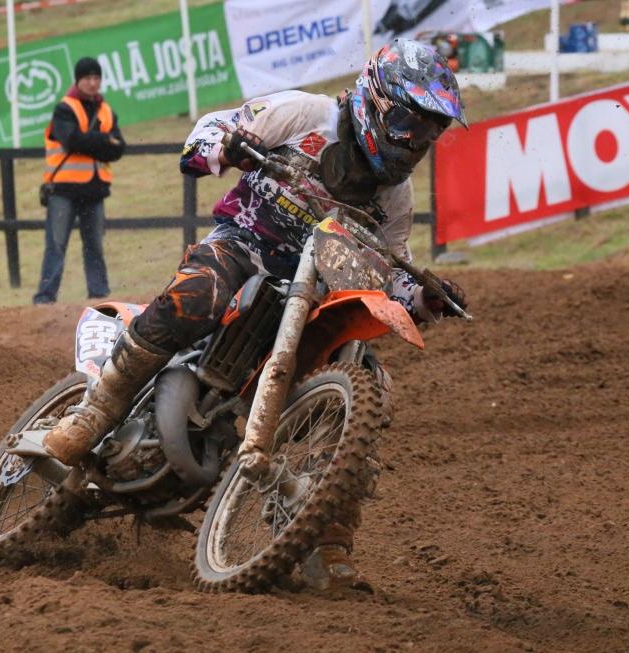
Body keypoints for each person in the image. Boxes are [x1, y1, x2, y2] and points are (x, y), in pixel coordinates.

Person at [43, 39, 469, 590]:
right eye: (411, 122)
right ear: (378, 103)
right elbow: (208, 131)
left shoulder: (395, 195)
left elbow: (389, 269)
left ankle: (325, 540)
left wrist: (424, 297)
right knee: (199, 293)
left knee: (370, 382)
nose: (417, 140)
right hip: (244, 246)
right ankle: (95, 412)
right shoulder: (307, 114)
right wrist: (228, 146)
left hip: (313, 293)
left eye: (431, 131)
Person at [33, 57, 126, 305]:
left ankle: (99, 294)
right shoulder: (64, 109)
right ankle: (45, 297)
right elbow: (71, 141)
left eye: (97, 78)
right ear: (78, 80)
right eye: (88, 78)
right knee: (56, 244)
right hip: (63, 190)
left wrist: (92, 142)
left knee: (94, 245)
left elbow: (119, 149)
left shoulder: (107, 111)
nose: (93, 83)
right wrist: (103, 140)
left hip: (95, 190)